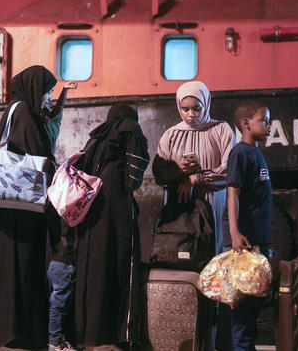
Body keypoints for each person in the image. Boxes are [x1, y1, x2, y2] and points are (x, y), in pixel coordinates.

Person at [0, 65, 58, 351]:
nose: (49, 97)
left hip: (8, 209)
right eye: (47, 91)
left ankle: (4, 330)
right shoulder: (23, 113)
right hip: (20, 212)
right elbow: (38, 154)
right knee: (18, 268)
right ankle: (14, 332)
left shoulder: (17, 110)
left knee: (5, 268)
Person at [74, 104, 150, 350]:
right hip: (116, 209)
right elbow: (135, 177)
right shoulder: (130, 127)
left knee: (95, 269)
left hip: (94, 211)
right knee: (120, 266)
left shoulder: (96, 137)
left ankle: (91, 334)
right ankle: (119, 335)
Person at [153, 81, 236, 255]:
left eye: (196, 108)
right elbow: (159, 173)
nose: (191, 114)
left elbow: (231, 169)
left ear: (206, 103)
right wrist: (179, 171)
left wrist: (196, 179)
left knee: (214, 251)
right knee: (184, 250)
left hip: (215, 203)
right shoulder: (171, 135)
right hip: (181, 207)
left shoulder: (221, 130)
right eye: (185, 109)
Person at [226, 101, 273, 351]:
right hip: (246, 243)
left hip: (259, 239)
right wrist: (234, 232)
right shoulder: (241, 153)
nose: (269, 125)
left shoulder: (255, 152)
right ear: (246, 124)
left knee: (256, 303)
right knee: (244, 307)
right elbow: (232, 192)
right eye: (263, 120)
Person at [45, 81, 78, 351]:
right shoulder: (67, 203)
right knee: (60, 300)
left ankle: (55, 339)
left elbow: (56, 111)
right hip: (63, 260)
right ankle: (56, 341)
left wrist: (64, 92)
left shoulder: (52, 199)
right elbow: (57, 113)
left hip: (54, 258)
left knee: (56, 299)